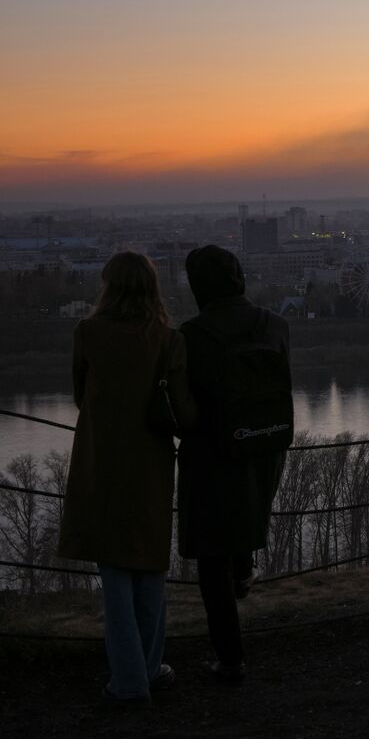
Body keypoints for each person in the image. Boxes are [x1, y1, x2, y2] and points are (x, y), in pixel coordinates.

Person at [57, 251, 195, 703]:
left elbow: (82, 397)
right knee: (149, 567)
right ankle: (150, 669)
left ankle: (130, 680)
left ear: (108, 287)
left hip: (100, 462)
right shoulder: (168, 340)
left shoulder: (88, 333)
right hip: (151, 465)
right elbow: (182, 411)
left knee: (114, 572)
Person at [178, 245, 290, 684]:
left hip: (211, 457)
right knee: (247, 520)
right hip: (267, 448)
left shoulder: (190, 337)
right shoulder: (276, 326)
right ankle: (244, 570)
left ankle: (230, 658)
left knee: (210, 561)